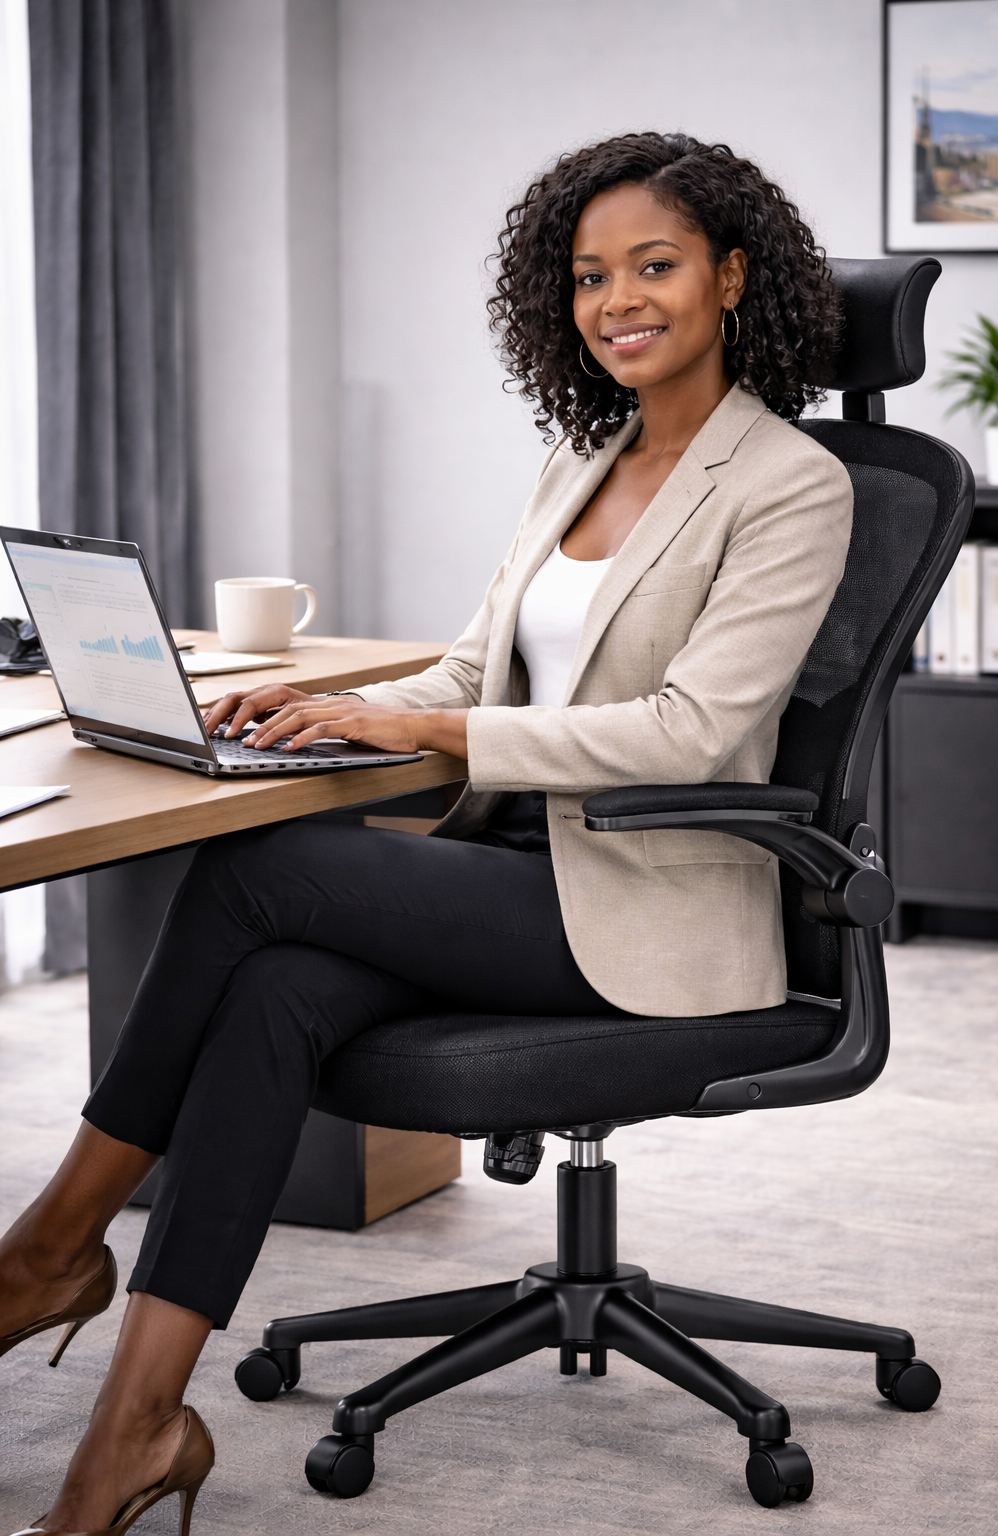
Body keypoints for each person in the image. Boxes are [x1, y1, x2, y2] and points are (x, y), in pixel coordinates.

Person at [1, 131, 852, 1534]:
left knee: (264, 868)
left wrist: (432, 736)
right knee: (275, 992)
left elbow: (691, 731)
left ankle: (48, 1244)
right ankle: (136, 1432)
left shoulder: (792, 486)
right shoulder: (586, 457)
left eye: (655, 266)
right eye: (589, 276)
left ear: (732, 277)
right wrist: (335, 704)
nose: (617, 299)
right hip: (518, 869)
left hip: (651, 906)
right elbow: (474, 671)